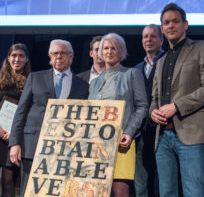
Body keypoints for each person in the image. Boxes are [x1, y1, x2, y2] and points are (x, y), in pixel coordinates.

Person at [150, 3, 204, 197]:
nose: (170, 26)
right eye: (166, 23)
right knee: (166, 193)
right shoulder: (161, 60)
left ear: (185, 24)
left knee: (194, 192)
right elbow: (155, 97)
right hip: (163, 136)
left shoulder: (202, 47)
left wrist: (176, 106)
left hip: (193, 133)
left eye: (175, 21)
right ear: (162, 29)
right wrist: (153, 111)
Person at [9, 39, 89, 197]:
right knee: (29, 190)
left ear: (71, 56)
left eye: (63, 53)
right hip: (32, 146)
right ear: (50, 56)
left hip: (64, 150)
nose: (59, 56)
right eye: (55, 53)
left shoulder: (82, 85)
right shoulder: (35, 77)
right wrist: (15, 143)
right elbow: (21, 112)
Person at [88, 33, 148, 197]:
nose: (108, 51)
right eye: (105, 48)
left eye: (113, 48)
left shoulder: (131, 74)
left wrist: (129, 133)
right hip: (96, 143)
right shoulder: (94, 82)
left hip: (122, 141)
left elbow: (142, 106)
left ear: (121, 51)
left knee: (120, 191)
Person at [134, 25, 165, 197]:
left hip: (162, 130)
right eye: (145, 37)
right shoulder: (136, 68)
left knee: (163, 180)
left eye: (153, 36)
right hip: (141, 132)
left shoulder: (169, 61)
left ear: (161, 40)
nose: (148, 40)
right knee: (141, 181)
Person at [0, 43, 31, 197]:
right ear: (8, 58)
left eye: (21, 56)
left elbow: (31, 111)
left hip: (15, 137)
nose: (17, 59)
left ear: (26, 59)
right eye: (14, 55)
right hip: (0, 132)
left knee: (7, 182)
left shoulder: (32, 81)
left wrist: (14, 132)